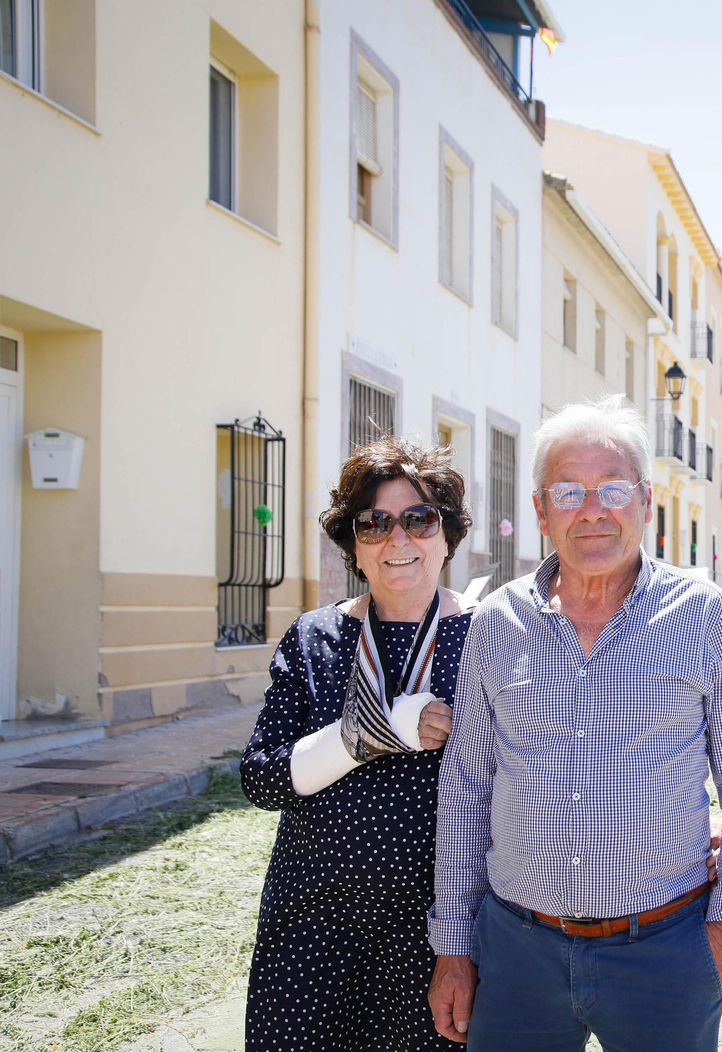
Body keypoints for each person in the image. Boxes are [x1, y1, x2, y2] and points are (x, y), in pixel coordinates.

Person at [427, 396, 722, 1052]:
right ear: (540, 509)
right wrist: (453, 945)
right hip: (515, 955)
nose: (592, 509)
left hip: (666, 954)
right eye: (568, 491)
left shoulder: (704, 619)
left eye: (612, 488)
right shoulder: (495, 625)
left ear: (645, 501)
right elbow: (465, 791)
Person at [241, 438, 476, 1052]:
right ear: (354, 546)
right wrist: (362, 736)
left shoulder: (488, 639)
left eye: (419, 519)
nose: (398, 540)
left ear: (446, 535)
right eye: (374, 523)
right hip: (312, 920)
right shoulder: (314, 637)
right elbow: (261, 778)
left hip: (435, 930)